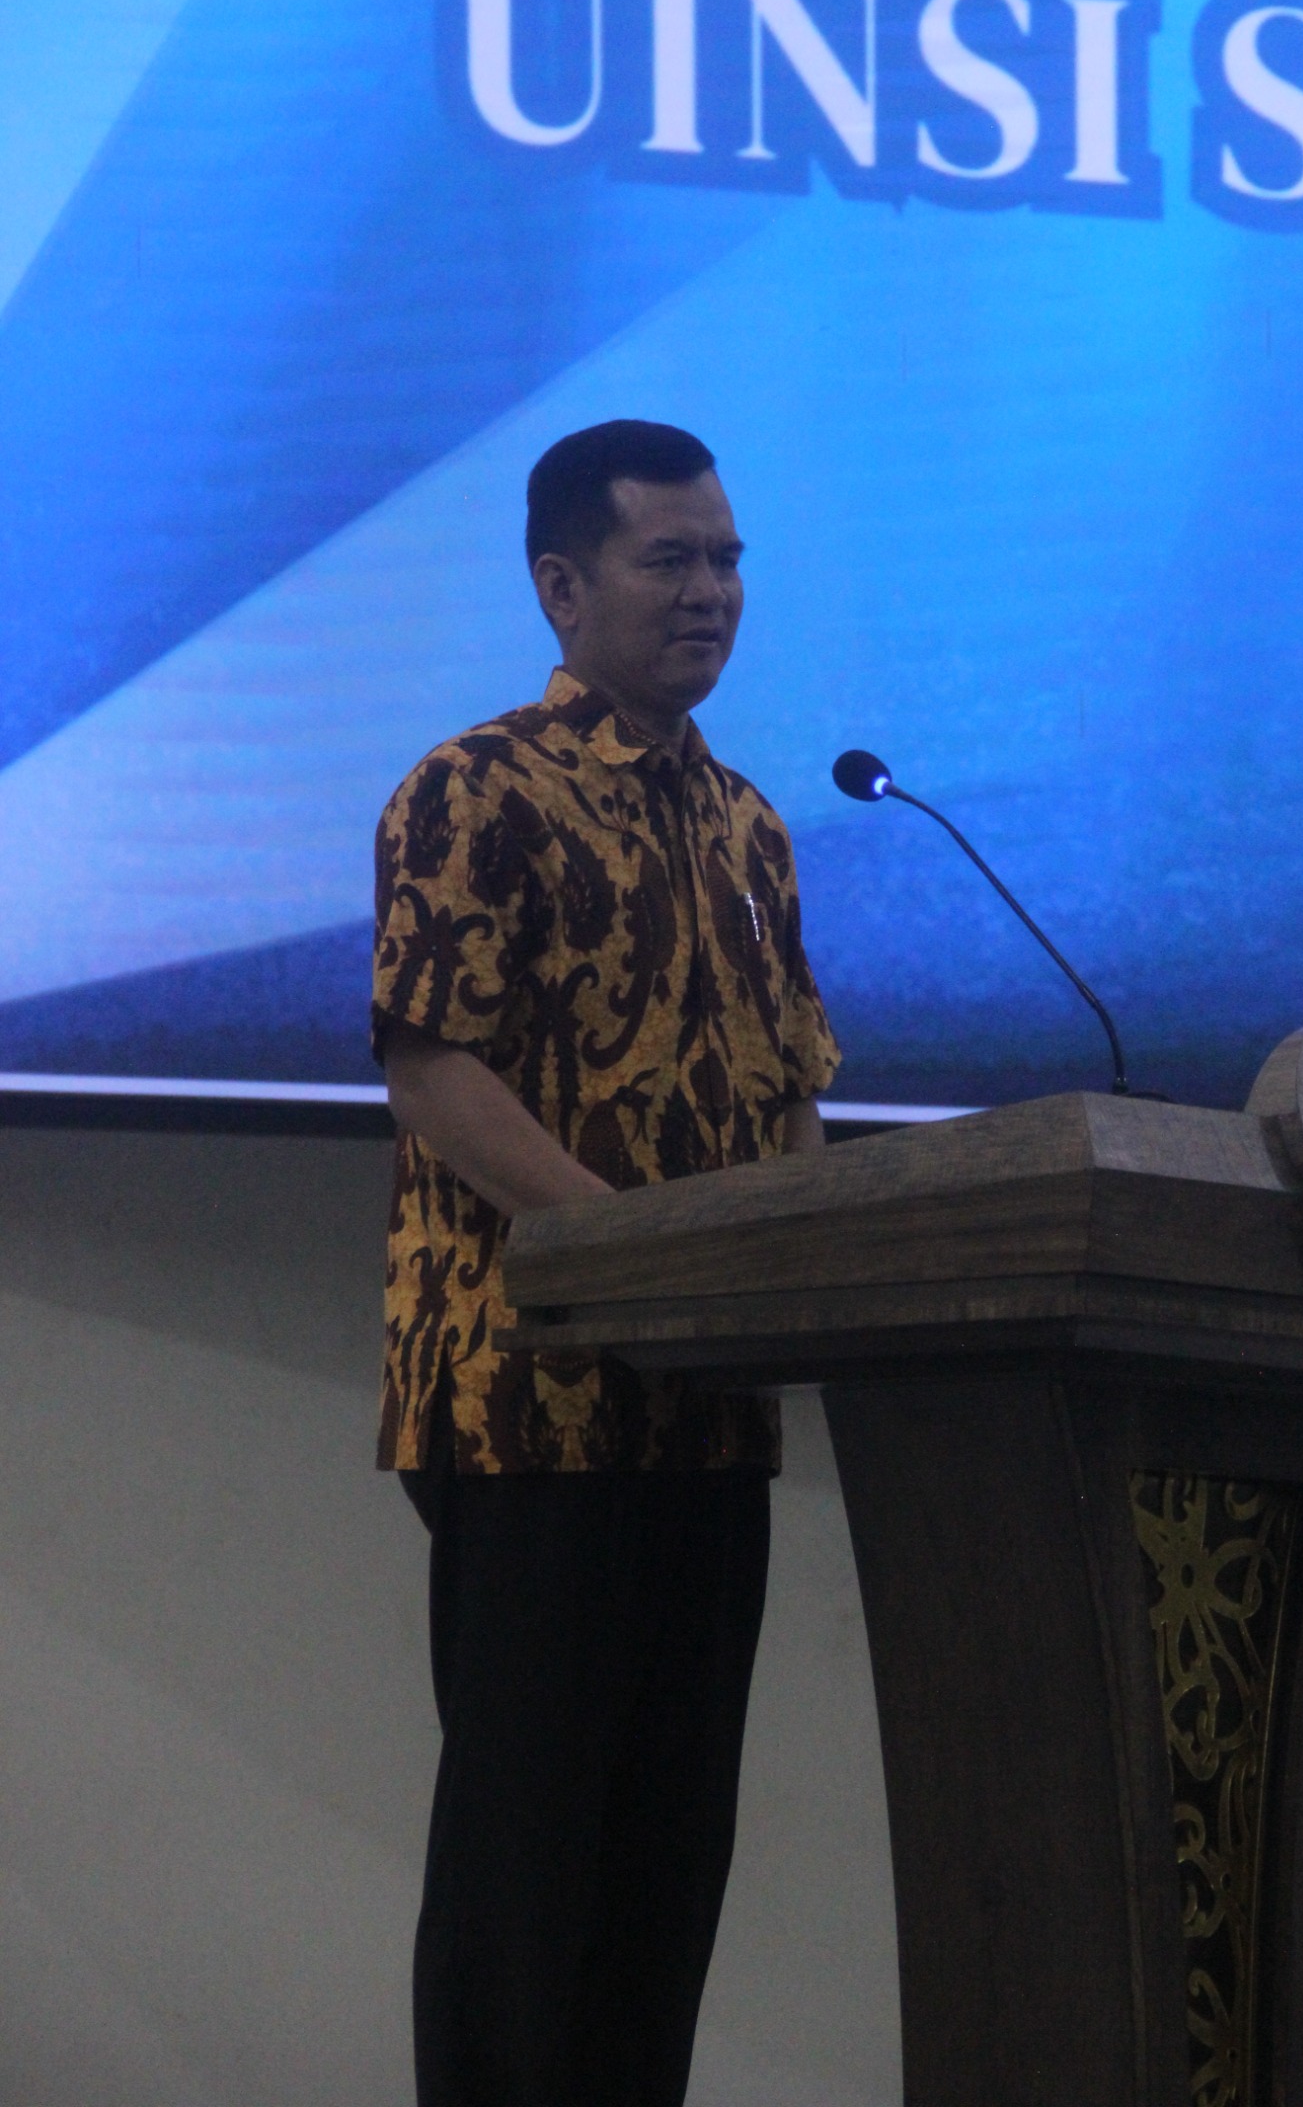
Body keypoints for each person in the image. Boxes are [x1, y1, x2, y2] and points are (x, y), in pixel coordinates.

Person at [371, 418, 840, 2107]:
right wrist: (634, 1250)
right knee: (527, 1866)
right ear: (563, 587)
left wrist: (810, 1273)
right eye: (670, 560)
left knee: (665, 1867)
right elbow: (433, 1066)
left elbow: (790, 1092)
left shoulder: (749, 826)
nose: (711, 591)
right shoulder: (475, 789)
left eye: (727, 560)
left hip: (707, 1416)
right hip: (530, 1408)